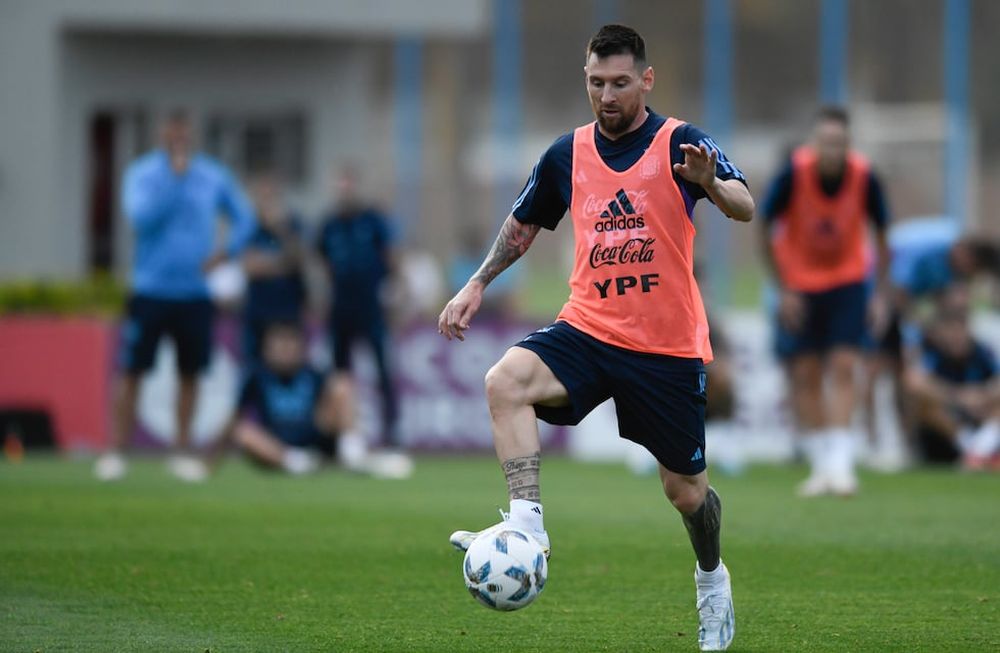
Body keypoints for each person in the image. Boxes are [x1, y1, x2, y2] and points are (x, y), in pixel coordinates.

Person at [438, 25, 753, 651]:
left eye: (618, 83)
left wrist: (711, 184)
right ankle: (526, 529)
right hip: (588, 326)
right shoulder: (567, 154)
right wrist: (475, 284)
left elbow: (744, 204)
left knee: (686, 493)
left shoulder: (679, 143)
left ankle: (711, 579)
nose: (605, 96)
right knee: (505, 381)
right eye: (595, 83)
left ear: (646, 79)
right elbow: (523, 224)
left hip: (664, 345)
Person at [94, 109, 255, 483]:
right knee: (132, 369)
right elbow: (140, 219)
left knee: (190, 372)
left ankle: (181, 450)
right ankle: (117, 450)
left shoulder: (213, 175)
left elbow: (243, 217)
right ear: (162, 133)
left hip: (195, 292)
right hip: (150, 289)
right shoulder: (144, 174)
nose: (179, 137)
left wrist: (226, 252)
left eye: (185, 131)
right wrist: (174, 181)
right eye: (173, 130)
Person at [761, 106, 891, 497]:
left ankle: (841, 462)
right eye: (826, 142)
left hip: (848, 280)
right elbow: (765, 225)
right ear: (815, 143)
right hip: (800, 284)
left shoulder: (865, 177)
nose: (832, 150)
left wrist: (880, 293)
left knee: (845, 365)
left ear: (848, 145)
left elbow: (883, 233)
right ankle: (821, 464)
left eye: (839, 143)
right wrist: (782, 288)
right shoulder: (793, 173)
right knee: (805, 372)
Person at [316, 166, 402, 452]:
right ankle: (342, 434)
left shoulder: (373, 221)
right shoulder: (329, 224)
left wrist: (394, 295)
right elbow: (323, 262)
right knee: (339, 374)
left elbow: (390, 258)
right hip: (341, 309)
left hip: (371, 307)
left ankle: (391, 431)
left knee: (382, 369)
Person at [230, 321, 367, 473]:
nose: (285, 351)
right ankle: (294, 462)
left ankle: (352, 454)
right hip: (277, 441)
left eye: (290, 344)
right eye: (280, 344)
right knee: (243, 432)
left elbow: (330, 404)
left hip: (313, 434)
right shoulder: (257, 377)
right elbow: (235, 416)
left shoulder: (312, 373)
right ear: (267, 348)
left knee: (342, 384)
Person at [904, 286, 1000, 469]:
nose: (957, 337)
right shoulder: (932, 352)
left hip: (981, 414)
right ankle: (973, 450)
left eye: (960, 331)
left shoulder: (982, 352)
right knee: (926, 404)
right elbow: (914, 381)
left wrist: (983, 395)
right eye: (951, 331)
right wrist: (957, 397)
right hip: (948, 424)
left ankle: (979, 452)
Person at [241, 172, 308, 365]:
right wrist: (282, 263)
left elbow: (299, 259)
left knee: (290, 367)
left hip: (288, 311)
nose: (268, 201)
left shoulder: (293, 224)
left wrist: (280, 229)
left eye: (272, 195)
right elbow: (250, 267)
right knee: (254, 369)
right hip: (258, 312)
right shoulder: (249, 226)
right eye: (263, 196)